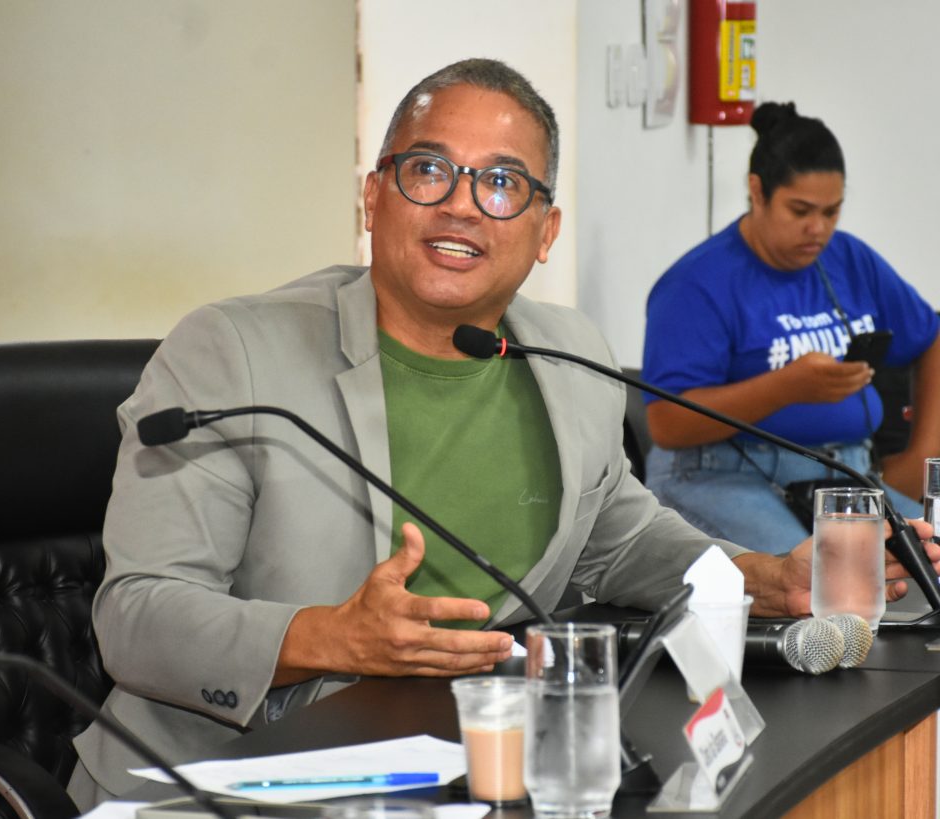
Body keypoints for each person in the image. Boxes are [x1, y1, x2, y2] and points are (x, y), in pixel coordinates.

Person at [68, 67, 937, 810]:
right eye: (428, 170)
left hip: (476, 767)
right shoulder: (231, 353)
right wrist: (328, 635)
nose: (460, 205)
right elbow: (135, 617)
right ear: (373, 196)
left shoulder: (567, 352)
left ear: (545, 230)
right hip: (233, 781)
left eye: (501, 182)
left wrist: (757, 576)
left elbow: (619, 536)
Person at [641, 101, 940, 554]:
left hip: (845, 475)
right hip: (721, 474)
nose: (817, 229)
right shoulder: (696, 283)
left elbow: (930, 336)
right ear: (757, 191)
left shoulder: (849, 258)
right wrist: (786, 387)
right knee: (820, 578)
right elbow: (667, 423)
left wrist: (922, 456)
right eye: (800, 211)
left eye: (832, 212)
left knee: (927, 563)